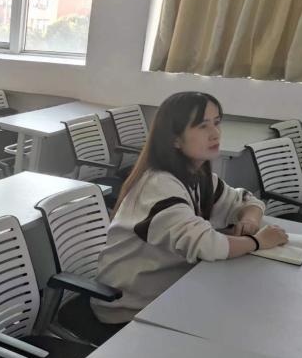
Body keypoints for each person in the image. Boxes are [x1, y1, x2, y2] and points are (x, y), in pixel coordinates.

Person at [86, 91, 288, 334]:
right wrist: (257, 242)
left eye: (216, 123)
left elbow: (244, 200)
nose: (215, 133)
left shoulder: (197, 176)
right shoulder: (158, 186)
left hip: (169, 293)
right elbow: (207, 245)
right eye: (202, 126)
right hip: (128, 309)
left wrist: (250, 219)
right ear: (175, 139)